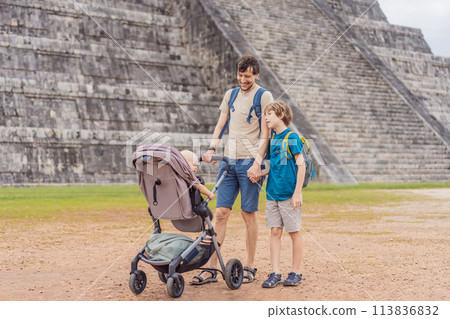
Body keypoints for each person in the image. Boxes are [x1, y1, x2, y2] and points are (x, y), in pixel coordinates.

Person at [190, 55, 274, 285]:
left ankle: (250, 265)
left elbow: (266, 133)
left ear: (256, 75)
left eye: (247, 76)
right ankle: (212, 268)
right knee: (220, 214)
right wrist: (211, 148)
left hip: (250, 163)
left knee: (248, 215)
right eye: (240, 75)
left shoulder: (264, 96)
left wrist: (258, 162)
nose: (243, 79)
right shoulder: (231, 94)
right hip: (229, 161)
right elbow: (221, 123)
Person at [261, 101, 305, 288]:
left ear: (280, 115)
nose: (266, 118)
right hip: (272, 193)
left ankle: (296, 272)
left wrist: (297, 193)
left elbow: (301, 165)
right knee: (275, 231)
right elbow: (271, 166)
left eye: (269, 114)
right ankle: (276, 272)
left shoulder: (292, 137)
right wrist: (257, 172)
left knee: (294, 232)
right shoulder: (273, 139)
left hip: (288, 194)